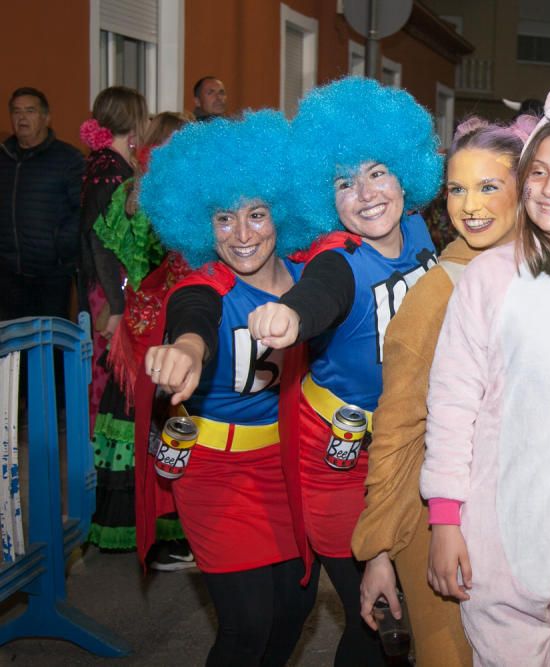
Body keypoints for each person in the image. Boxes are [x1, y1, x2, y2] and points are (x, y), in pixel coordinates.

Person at [352, 113, 550, 666]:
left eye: (489, 186)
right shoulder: (470, 283)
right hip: (484, 533)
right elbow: (416, 422)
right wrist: (392, 543)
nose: (470, 205)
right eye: (457, 189)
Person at [246, 77, 441, 666]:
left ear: (407, 175)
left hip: (409, 444)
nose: (364, 193)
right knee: (377, 615)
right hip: (337, 455)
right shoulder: (338, 259)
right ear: (324, 197)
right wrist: (291, 319)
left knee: (413, 601)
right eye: (343, 182)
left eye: (377, 172)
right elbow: (321, 293)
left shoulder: (420, 232)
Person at [135, 111, 322, 665]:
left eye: (257, 214)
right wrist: (187, 350)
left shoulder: (313, 276)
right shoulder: (204, 286)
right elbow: (193, 319)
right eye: (223, 219)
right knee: (246, 625)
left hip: (289, 467)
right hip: (215, 471)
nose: (242, 235)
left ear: (281, 214)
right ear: (199, 225)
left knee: (295, 608)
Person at [89, 111, 193, 562]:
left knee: (146, 430)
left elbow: (100, 245)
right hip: (157, 331)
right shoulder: (163, 194)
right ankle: (158, 537)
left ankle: (149, 534)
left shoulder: (137, 190)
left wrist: (117, 302)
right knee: (154, 430)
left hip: (141, 325)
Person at [79, 86, 148, 431]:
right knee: (108, 372)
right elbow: (101, 241)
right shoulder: (111, 170)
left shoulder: (102, 162)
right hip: (110, 287)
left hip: (106, 284)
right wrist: (117, 304)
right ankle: (103, 456)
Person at [1, 87, 84, 321]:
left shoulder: (68, 159)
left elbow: (82, 210)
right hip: (7, 274)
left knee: (48, 345)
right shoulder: (3, 158)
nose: (22, 118)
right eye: (16, 112)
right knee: (11, 347)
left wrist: (60, 248)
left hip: (51, 275)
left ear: (46, 117)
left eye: (30, 111)